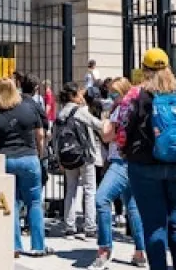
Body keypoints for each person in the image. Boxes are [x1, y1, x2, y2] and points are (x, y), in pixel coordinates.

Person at [114, 48, 176, 270]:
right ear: (168, 67)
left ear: (144, 69)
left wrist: (124, 150)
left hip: (144, 165)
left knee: (154, 225)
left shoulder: (135, 94)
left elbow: (122, 128)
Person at [0, 76, 51, 257]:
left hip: (6, 159)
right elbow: (40, 135)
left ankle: (15, 245)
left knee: (11, 204)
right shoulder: (29, 110)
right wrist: (39, 153)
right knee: (35, 202)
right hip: (29, 158)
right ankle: (38, 245)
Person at [94, 77, 146, 269]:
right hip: (134, 160)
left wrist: (105, 120)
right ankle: (140, 252)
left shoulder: (120, 110)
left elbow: (107, 136)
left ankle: (105, 248)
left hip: (120, 161)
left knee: (101, 198)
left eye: (114, 92)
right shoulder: (136, 107)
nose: (112, 95)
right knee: (132, 206)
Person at [57, 81, 104, 240]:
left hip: (67, 156)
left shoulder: (61, 113)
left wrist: (59, 159)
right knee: (89, 190)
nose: (82, 97)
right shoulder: (80, 111)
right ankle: (90, 227)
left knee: (70, 190)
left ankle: (69, 227)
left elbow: (56, 138)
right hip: (84, 155)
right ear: (73, 96)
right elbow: (98, 125)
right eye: (79, 95)